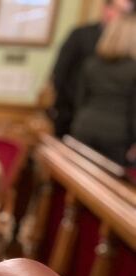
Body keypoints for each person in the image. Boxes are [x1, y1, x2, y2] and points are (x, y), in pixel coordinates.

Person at [49, 0, 133, 138]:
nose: (121, 17)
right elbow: (60, 72)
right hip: (71, 114)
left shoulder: (128, 46)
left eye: (125, 13)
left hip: (112, 123)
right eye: (119, 10)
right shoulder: (81, 35)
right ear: (106, 9)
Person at [71, 14, 136, 166]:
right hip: (117, 134)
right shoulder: (133, 69)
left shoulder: (91, 64)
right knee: (107, 184)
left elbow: (80, 99)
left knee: (81, 177)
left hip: (84, 126)